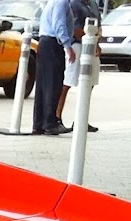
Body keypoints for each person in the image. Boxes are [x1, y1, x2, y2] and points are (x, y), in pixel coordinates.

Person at [56, 0, 100, 132]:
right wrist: (90, 37)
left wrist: (97, 42)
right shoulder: (74, 4)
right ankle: (57, 116)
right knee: (68, 82)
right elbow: (75, 30)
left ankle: (81, 118)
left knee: (90, 82)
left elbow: (98, 26)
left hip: (92, 45)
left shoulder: (93, 4)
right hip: (77, 46)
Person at [33, 0, 75, 135]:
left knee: (43, 85)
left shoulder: (54, 2)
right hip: (52, 44)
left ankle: (39, 123)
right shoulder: (61, 2)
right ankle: (50, 123)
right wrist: (68, 46)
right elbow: (60, 24)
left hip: (45, 43)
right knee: (53, 84)